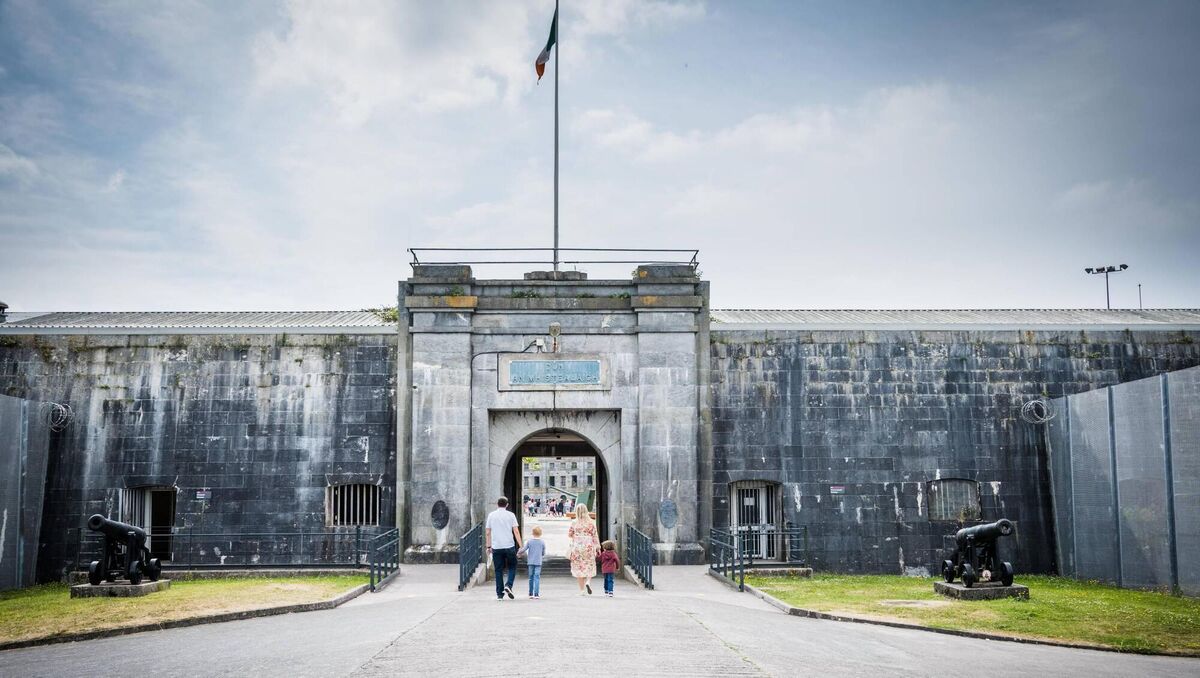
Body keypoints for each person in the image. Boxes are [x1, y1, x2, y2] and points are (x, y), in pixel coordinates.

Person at [485, 496, 521, 601]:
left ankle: (500, 595)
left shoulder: (491, 515)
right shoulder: (511, 515)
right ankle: (508, 585)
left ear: (497, 504)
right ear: (507, 505)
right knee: (512, 566)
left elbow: (488, 532)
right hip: (509, 545)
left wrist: (488, 546)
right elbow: (516, 531)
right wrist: (521, 546)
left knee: (498, 570)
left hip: (496, 546)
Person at [567, 503, 600, 595]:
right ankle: (588, 582)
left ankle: (581, 590)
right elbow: (595, 535)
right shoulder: (591, 522)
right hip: (589, 546)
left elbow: (569, 534)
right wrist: (598, 547)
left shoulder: (574, 522)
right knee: (590, 565)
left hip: (577, 547)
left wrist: (577, 535)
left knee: (579, 567)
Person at [518, 525, 546, 599]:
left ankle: (530, 593)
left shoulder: (529, 542)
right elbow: (543, 553)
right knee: (537, 577)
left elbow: (524, 549)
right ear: (540, 534)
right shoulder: (542, 542)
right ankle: (536, 594)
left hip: (530, 562)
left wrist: (519, 551)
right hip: (538, 562)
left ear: (532, 533)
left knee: (531, 577)